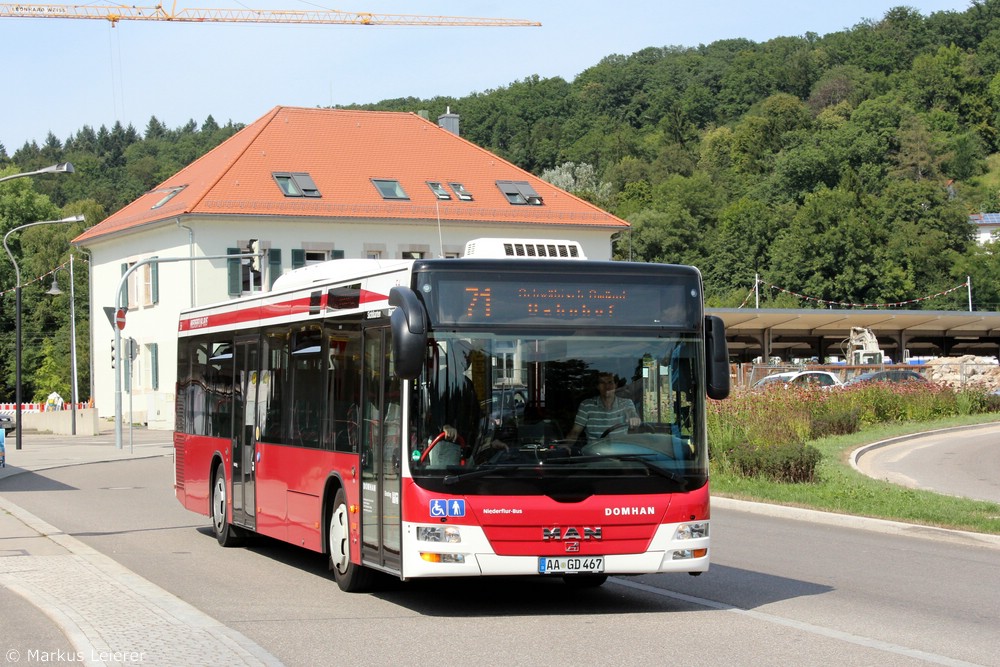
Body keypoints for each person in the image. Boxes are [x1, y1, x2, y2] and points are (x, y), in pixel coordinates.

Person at [566, 372, 640, 442]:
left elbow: (632, 413)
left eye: (610, 382)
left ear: (616, 385)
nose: (607, 386)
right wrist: (566, 446)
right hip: (595, 453)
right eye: (602, 383)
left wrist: (634, 419)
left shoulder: (626, 403)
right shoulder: (587, 405)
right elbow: (575, 432)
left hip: (620, 451)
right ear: (597, 386)